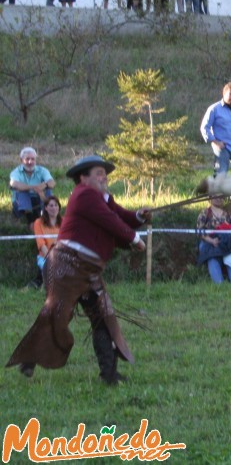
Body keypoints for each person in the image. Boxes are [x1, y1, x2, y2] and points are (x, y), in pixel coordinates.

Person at [6, 155, 151, 385]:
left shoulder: (102, 198)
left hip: (88, 270)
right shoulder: (84, 195)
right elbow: (110, 221)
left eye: (105, 173)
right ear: (83, 178)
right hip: (66, 266)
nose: (104, 177)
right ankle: (29, 359)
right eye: (98, 173)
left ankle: (109, 375)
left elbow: (120, 216)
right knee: (57, 315)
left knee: (103, 318)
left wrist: (138, 216)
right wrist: (134, 238)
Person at [197, 195, 231, 284]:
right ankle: (219, 286)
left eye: (221, 196)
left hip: (227, 243)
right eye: (216, 196)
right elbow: (200, 231)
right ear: (210, 198)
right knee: (212, 258)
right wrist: (212, 241)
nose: (218, 198)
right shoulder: (205, 213)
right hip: (209, 243)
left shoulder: (230, 214)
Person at [10, 147, 55, 227]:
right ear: (21, 160)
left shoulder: (43, 170)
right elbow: (14, 184)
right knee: (22, 192)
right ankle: (31, 220)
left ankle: (48, 215)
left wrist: (45, 185)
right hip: (21, 203)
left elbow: (52, 182)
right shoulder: (16, 172)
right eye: (27, 159)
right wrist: (33, 187)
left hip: (39, 198)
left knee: (48, 191)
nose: (30, 162)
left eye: (33, 159)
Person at [30, 195, 63, 288]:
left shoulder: (64, 222)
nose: (54, 208)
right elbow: (41, 244)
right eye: (51, 206)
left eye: (56, 205)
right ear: (46, 208)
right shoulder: (38, 223)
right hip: (45, 257)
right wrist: (52, 259)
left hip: (62, 255)